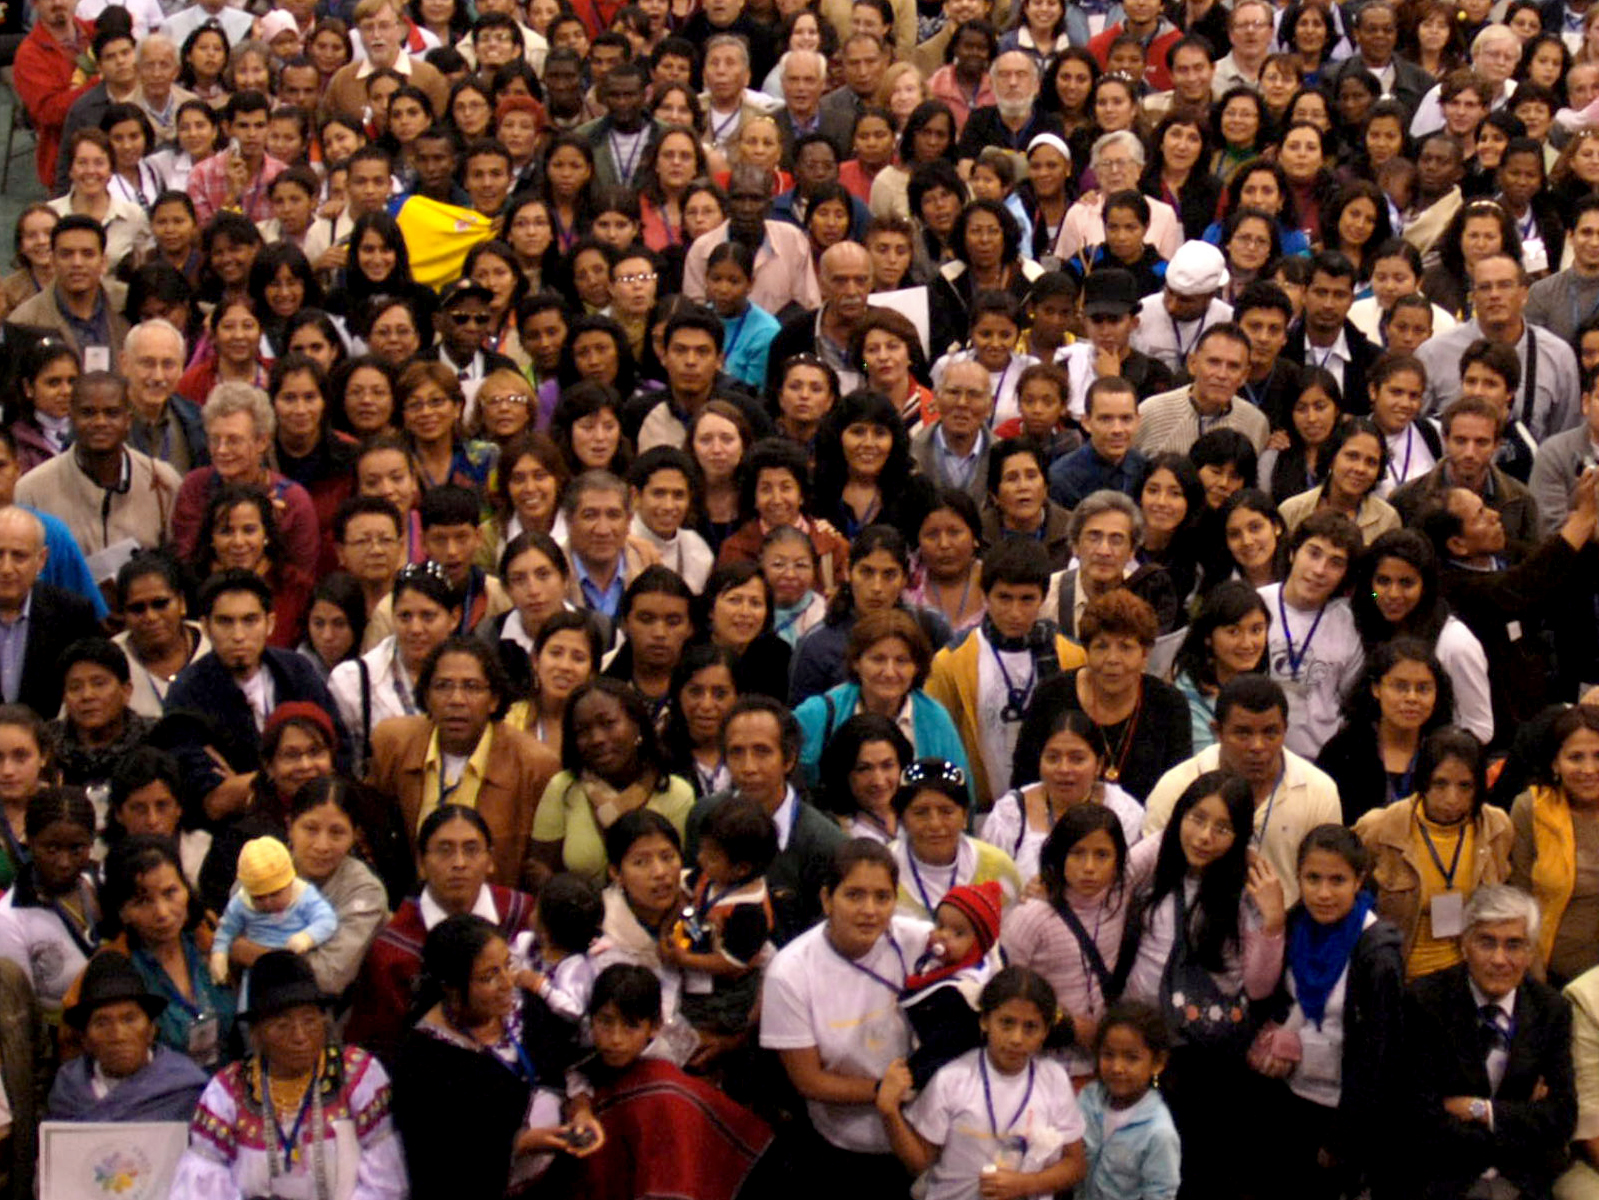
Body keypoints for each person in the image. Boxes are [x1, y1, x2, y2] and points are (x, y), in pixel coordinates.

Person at [761, 838, 929, 1195]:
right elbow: (808, 1080)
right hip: (843, 1149)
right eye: (854, 895)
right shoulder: (790, 971)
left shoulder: (921, 941)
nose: (869, 910)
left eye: (882, 897)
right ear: (826, 900)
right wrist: (885, 1091)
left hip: (926, 1135)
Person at [393, 914, 604, 1198]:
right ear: (452, 988)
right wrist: (519, 1143)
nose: (507, 982)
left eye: (507, 965)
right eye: (488, 976)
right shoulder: (422, 1058)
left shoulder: (527, 1009)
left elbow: (563, 1070)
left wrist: (580, 1110)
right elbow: (438, 1154)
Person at [168, 950, 406, 1199]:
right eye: (282, 1026)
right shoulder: (227, 1090)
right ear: (256, 1034)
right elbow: (202, 1184)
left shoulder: (357, 1073)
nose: (300, 1037)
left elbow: (386, 1179)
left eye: (310, 1021)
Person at [1402, 885, 1577, 1200]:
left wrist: (1478, 1109)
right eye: (1487, 943)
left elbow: (1562, 1118)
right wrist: (1521, 1118)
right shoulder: (1425, 1002)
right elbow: (1419, 1118)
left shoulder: (1552, 1009)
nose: (1499, 959)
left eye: (1514, 945)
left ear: (1531, 952)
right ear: (1464, 945)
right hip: (1445, 1178)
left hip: (1522, 1181)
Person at [344, 804, 535, 1065]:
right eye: (445, 851)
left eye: (471, 850)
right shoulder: (391, 953)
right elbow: (377, 1048)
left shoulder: (525, 915)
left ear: (490, 860)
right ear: (421, 862)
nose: (459, 863)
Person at [876, 966, 1088, 1198]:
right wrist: (889, 1112)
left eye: (1030, 1027)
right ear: (985, 1021)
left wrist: (1027, 1184)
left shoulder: (1054, 1079)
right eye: (1006, 1023)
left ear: (1045, 1031)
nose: (1016, 1039)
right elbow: (920, 1163)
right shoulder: (952, 1079)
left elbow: (1075, 1165)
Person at [367, 636, 559, 891]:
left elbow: (540, 867)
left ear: (493, 700)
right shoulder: (393, 743)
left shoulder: (535, 765)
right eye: (443, 686)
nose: (456, 699)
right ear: (426, 695)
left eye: (471, 687)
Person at [574, 963, 777, 1200]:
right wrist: (581, 1109)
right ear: (591, 1018)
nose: (616, 1039)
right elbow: (575, 1078)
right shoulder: (583, 1052)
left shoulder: (664, 1089)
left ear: (655, 1026)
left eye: (631, 1026)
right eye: (606, 1022)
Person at [1143, 674, 1343, 909]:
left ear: (1285, 730)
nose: (1258, 747)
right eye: (1243, 733)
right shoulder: (1176, 786)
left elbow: (1328, 874)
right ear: (1217, 731)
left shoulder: (1319, 790)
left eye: (1270, 733)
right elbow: (1152, 873)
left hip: (1288, 929)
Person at [163, 571, 348, 822]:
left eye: (250, 620)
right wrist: (296, 773)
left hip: (315, 816)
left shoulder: (297, 671)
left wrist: (250, 781)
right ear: (206, 627)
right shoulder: (186, 692)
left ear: (270, 623)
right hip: (231, 832)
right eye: (225, 622)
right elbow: (213, 801)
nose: (238, 635)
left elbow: (340, 757)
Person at [925, 538, 1088, 809]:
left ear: (1043, 597)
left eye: (1027, 599)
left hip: (1056, 806)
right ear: (985, 596)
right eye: (1004, 598)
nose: (1015, 612)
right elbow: (938, 741)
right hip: (982, 808)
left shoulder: (1072, 656)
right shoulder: (951, 662)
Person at [1354, 726, 1513, 979]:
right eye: (1440, 784)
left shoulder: (1497, 828)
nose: (1452, 798)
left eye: (1465, 786)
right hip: (1401, 978)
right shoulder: (1379, 829)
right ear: (1424, 780)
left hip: (1471, 979)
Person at [1012, 590, 1191, 803]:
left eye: (1125, 647)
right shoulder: (1051, 695)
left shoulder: (1169, 704)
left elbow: (1176, 791)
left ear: (1144, 654)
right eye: (1101, 646)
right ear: (1087, 650)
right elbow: (1024, 783)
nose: (1112, 659)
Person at [530, 678, 695, 888]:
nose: (597, 738)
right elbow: (539, 868)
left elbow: (682, 876)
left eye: (608, 724)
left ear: (636, 725)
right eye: (583, 730)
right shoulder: (563, 788)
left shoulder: (676, 793)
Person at [795, 609, 970, 791]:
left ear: (917, 667)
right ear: (856, 662)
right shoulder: (817, 715)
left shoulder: (935, 719)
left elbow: (961, 796)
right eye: (878, 659)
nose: (889, 672)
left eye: (901, 661)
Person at [48, 949, 210, 1122]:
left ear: (151, 1030)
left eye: (129, 1019)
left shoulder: (185, 1089)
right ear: (85, 1040)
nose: (118, 1036)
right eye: (101, 1023)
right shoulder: (68, 1090)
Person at [1256, 510, 1366, 758]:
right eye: (1313, 553)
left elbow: (1350, 705)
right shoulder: (1255, 605)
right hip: (1255, 753)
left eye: (1335, 563)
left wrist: (1372, 595)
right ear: (1293, 553)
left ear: (1345, 574)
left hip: (1319, 761)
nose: (1319, 570)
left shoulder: (1351, 625)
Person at [0, 788, 101, 1020]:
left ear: (91, 843)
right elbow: (20, 1015)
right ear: (30, 841)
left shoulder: (103, 884)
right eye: (52, 849)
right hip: (56, 1045)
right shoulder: (9, 917)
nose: (64, 863)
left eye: (76, 849)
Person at [7, 217, 132, 371]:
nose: (77, 263)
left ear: (103, 262)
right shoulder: (25, 321)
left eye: (88, 254)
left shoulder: (128, 303)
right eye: (66, 254)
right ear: (52, 261)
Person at [1135, 325, 1269, 458]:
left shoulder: (1255, 424)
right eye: (1213, 362)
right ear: (1192, 364)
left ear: (1244, 375)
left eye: (1233, 366)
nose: (1222, 374)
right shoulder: (1151, 412)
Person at [1169, 581, 1271, 753]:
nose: (1247, 644)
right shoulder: (1187, 700)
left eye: (1256, 630)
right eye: (1233, 632)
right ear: (1208, 637)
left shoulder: (1263, 685)